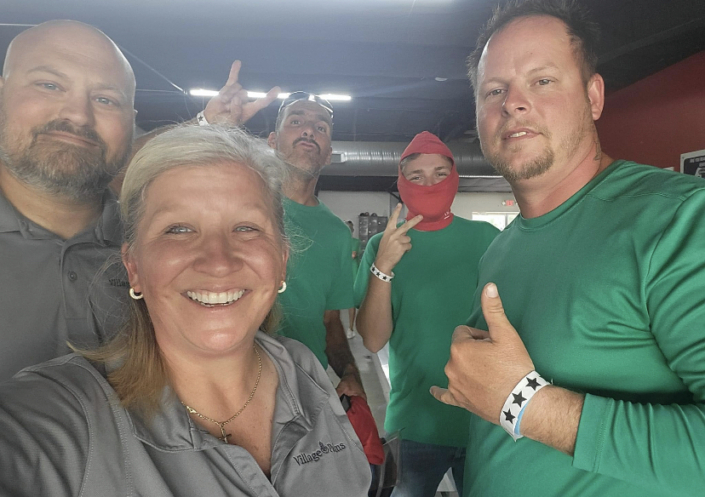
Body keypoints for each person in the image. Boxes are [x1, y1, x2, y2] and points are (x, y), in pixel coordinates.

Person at [0, 125, 371, 497]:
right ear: (133, 266)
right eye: (178, 229)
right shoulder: (59, 418)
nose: (219, 261)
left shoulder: (301, 367)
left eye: (246, 227)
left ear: (282, 260)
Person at [430, 1, 705, 496]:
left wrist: (525, 403)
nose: (513, 103)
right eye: (494, 90)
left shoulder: (682, 220)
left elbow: (515, 403)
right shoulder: (500, 249)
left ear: (594, 96)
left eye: (542, 80)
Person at [355, 131, 498, 497]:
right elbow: (372, 339)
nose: (429, 184)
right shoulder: (381, 245)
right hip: (414, 422)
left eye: (439, 173)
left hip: (483, 420)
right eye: (416, 176)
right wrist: (383, 266)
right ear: (402, 182)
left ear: (454, 178)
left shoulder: (487, 238)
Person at [0, 20, 136, 381]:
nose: (78, 114)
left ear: (131, 122)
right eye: (49, 85)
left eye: (106, 99)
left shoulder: (161, 248)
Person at [267, 93, 365, 399]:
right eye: (296, 121)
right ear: (273, 141)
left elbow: (330, 321)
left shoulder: (336, 233)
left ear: (328, 154)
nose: (309, 130)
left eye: (320, 127)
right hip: (235, 387)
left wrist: (349, 371)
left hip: (307, 391)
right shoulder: (240, 206)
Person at [346, 219, 361, 338]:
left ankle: (350, 328)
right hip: (341, 274)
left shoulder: (356, 242)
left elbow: (353, 255)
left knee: (350, 303)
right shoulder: (339, 242)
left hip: (352, 273)